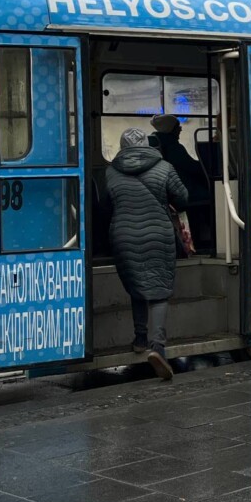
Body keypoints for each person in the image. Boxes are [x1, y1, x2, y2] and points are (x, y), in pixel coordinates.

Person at [105, 127, 188, 381]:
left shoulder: (110, 171)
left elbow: (107, 203)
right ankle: (158, 348)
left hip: (124, 236)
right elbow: (183, 198)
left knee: (137, 285)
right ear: (147, 144)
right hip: (157, 234)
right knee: (159, 292)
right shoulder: (164, 167)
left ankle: (140, 339)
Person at [150, 114, 211, 252]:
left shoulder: (156, 144)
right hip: (185, 188)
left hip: (168, 188)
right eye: (178, 127)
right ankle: (204, 241)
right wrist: (206, 167)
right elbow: (191, 167)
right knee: (210, 196)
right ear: (170, 129)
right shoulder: (173, 147)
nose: (181, 130)